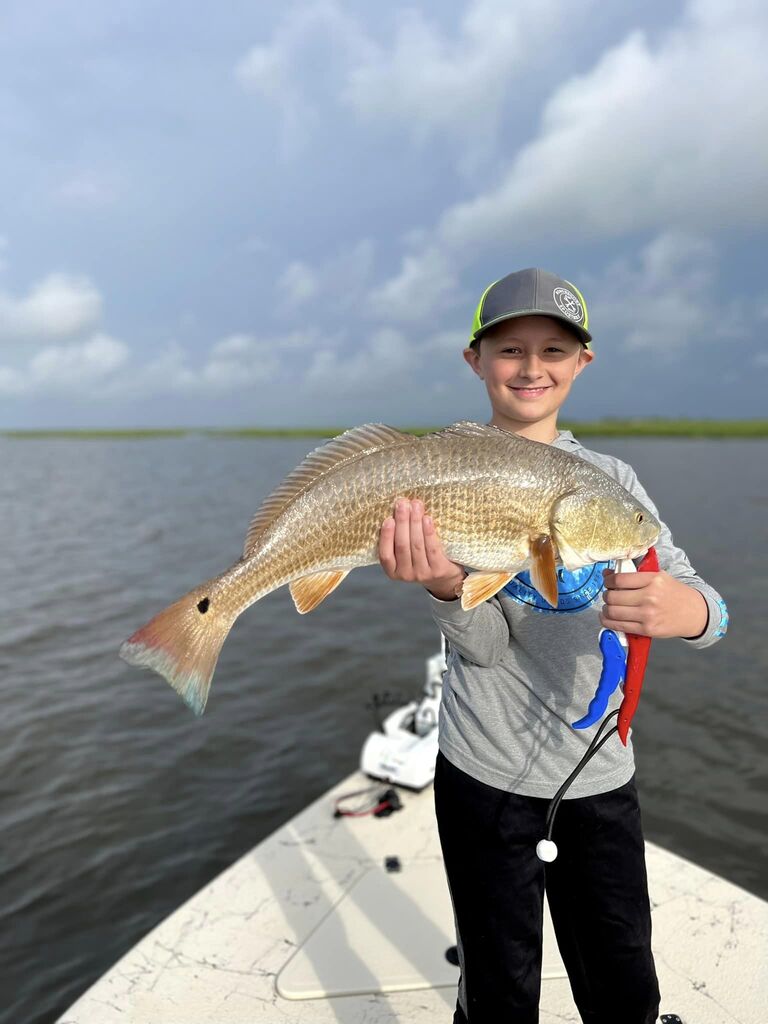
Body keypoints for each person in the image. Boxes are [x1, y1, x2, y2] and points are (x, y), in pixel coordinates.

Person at [377, 268, 728, 1024]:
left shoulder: (613, 481)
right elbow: (484, 650)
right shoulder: (448, 473)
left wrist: (687, 609)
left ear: (582, 362)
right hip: (483, 775)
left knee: (624, 984)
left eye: (553, 350)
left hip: (598, 773)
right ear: (475, 360)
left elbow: (709, 606)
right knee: (498, 991)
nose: (531, 367)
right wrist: (444, 587)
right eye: (510, 349)